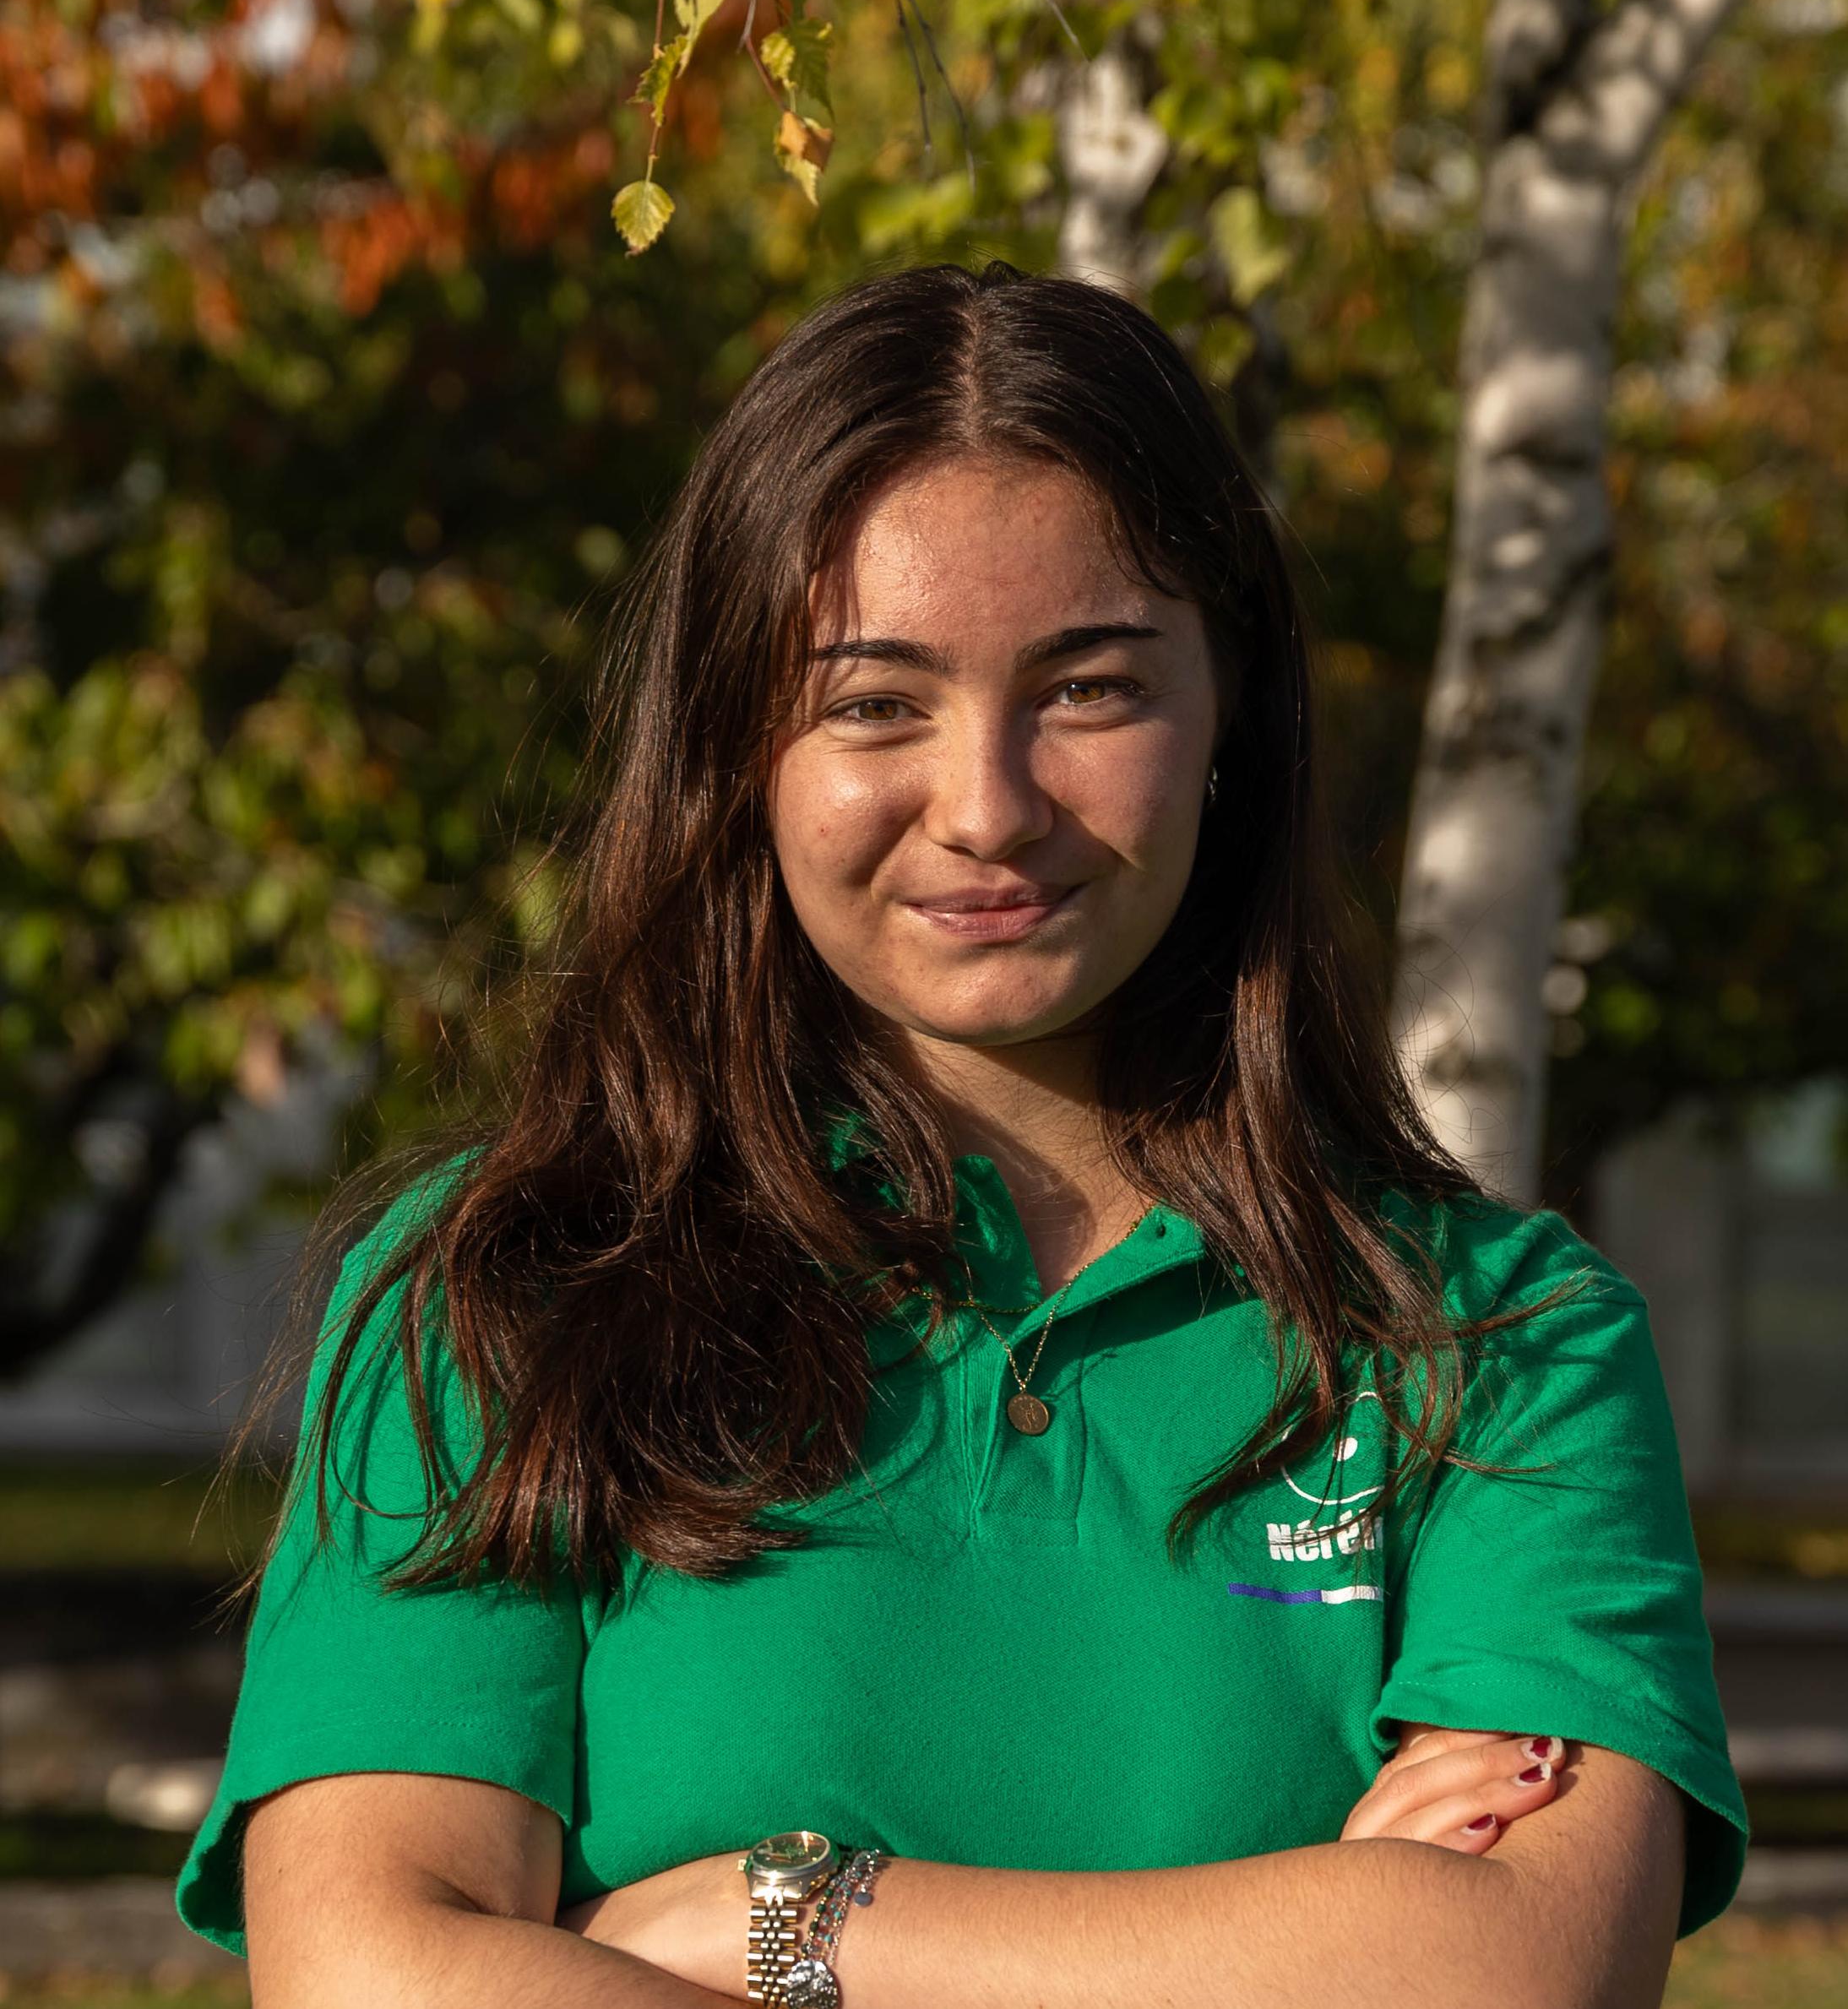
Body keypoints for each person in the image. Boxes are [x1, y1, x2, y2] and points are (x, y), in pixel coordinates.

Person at [177, 261, 1747, 2009]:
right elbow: (375, 1981)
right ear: (738, 745)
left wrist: (783, 1920)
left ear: (1230, 709)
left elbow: (1511, 1980)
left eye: (1090, 690)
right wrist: (1312, 1939)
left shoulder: (1498, 1345)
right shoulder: (498, 1299)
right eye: (872, 702)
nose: (988, 808)